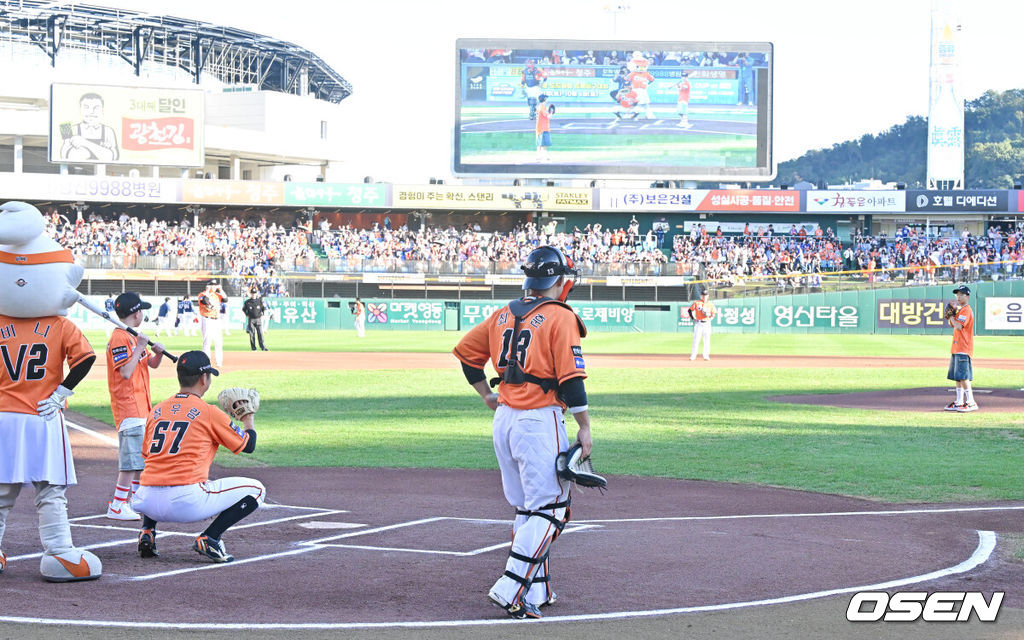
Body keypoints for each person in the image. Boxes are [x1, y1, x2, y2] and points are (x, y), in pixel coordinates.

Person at [453, 245, 591, 620]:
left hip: (506, 420)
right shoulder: (560, 317)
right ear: (560, 280)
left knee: (529, 508)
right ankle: (510, 588)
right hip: (539, 419)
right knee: (554, 510)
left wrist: (486, 395)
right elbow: (572, 382)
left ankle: (538, 588)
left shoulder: (502, 314)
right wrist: (585, 428)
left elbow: (466, 355)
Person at [132, 351, 265, 563]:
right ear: (204, 379)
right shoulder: (208, 412)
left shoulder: (156, 411)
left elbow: (148, 456)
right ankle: (210, 538)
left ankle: (147, 531)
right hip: (185, 504)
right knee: (257, 489)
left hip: (145, 500)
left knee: (158, 467)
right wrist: (248, 418)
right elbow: (248, 446)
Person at [105, 292, 165, 520]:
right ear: (136, 313)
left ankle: (136, 499)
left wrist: (157, 353)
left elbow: (150, 364)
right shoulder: (121, 337)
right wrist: (140, 346)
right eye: (142, 311)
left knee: (139, 458)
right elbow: (126, 372)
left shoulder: (132, 336)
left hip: (142, 406)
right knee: (131, 461)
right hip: (129, 406)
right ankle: (118, 504)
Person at [59, 92, 119, 162]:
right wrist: (101, 150)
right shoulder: (67, 128)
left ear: (102, 110)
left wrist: (83, 142)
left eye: (96, 108)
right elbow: (66, 155)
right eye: (86, 107)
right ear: (80, 109)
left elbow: (112, 157)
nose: (91, 111)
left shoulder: (109, 130)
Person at [945, 285, 978, 412]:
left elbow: (958, 326)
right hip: (957, 347)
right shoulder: (960, 310)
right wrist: (951, 316)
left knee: (963, 376)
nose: (958, 297)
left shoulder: (966, 310)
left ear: (967, 296)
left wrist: (951, 316)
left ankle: (971, 402)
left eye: (961, 294)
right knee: (958, 377)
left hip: (963, 347)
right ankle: (959, 401)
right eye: (957, 294)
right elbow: (952, 324)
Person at [198, 280, 227, 368]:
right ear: (208, 286)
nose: (213, 287)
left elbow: (225, 299)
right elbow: (204, 301)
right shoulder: (202, 294)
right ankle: (206, 362)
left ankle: (219, 362)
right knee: (207, 342)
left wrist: (221, 290)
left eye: (215, 285)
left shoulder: (217, 295)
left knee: (219, 342)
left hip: (216, 320)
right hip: (207, 319)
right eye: (212, 285)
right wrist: (207, 290)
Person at [688, 288, 716, 361]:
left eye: (705, 295)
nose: (704, 297)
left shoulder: (710, 304)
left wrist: (710, 318)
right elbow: (690, 310)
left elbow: (714, 314)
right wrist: (693, 318)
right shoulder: (697, 303)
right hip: (699, 324)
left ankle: (706, 356)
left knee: (707, 340)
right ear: (701, 296)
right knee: (696, 340)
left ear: (708, 296)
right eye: (703, 295)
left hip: (707, 324)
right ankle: (693, 356)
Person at [535, 94, 553, 163]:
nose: (547, 100)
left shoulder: (539, 107)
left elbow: (543, 115)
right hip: (543, 128)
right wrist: (551, 113)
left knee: (539, 144)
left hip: (539, 128)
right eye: (546, 98)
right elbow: (548, 116)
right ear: (544, 99)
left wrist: (549, 112)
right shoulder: (542, 107)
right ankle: (543, 157)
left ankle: (538, 157)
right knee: (543, 144)